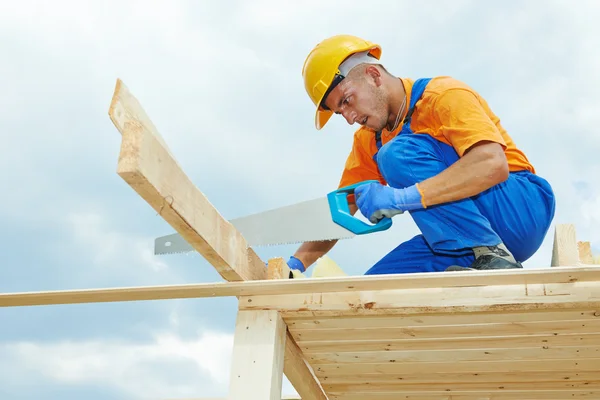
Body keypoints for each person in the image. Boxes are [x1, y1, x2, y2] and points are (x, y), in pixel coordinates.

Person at [286, 34, 555, 275]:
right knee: (367, 296)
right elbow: (343, 209)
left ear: (373, 75)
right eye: (339, 112)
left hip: (518, 209)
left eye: (346, 101)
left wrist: (402, 198)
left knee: (395, 154)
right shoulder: (368, 139)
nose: (349, 117)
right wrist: (296, 264)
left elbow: (492, 164)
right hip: (463, 241)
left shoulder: (443, 95)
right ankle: (482, 253)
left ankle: (491, 253)